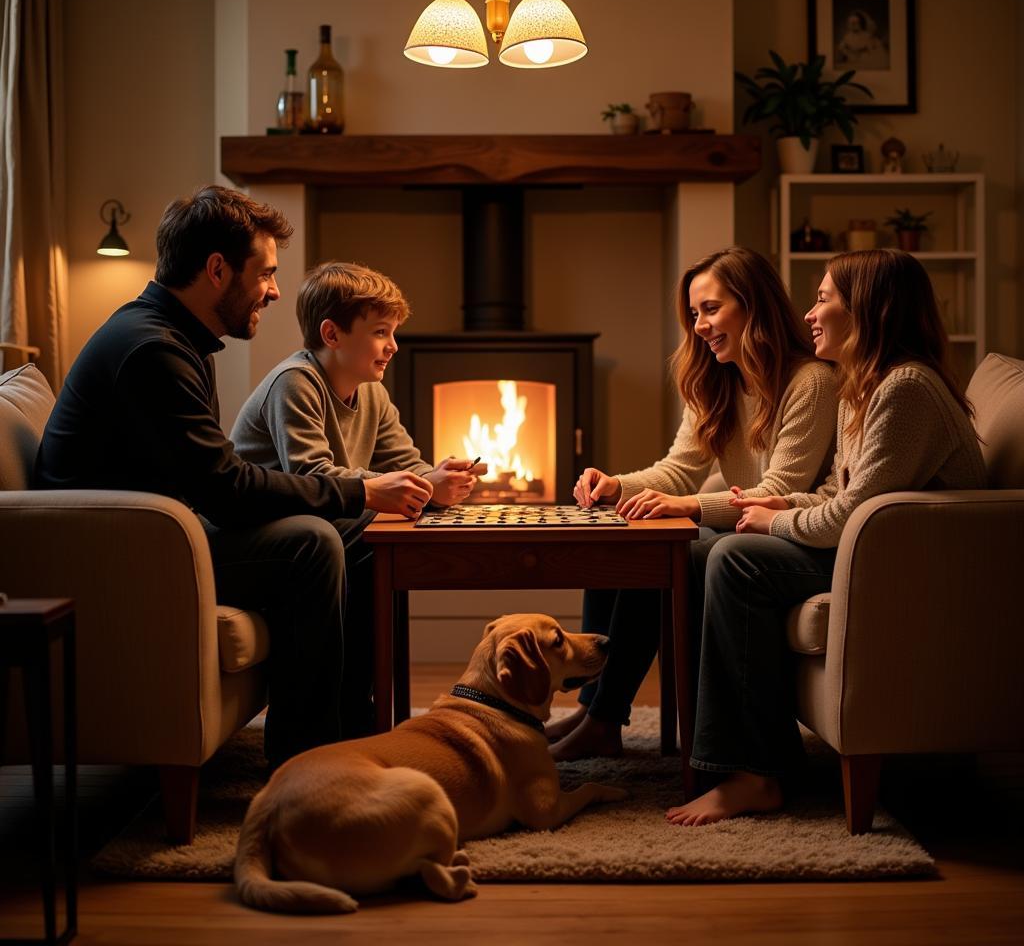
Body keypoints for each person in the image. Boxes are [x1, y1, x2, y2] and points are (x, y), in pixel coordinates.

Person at [35, 185, 433, 768]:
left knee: (361, 535)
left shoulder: (176, 339)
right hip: (120, 553)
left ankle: (354, 728)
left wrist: (364, 501)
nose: (273, 290)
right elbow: (225, 488)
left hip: (161, 533)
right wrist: (359, 488)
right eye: (266, 273)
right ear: (218, 269)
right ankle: (308, 760)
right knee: (314, 543)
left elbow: (218, 480)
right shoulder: (151, 351)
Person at [666, 248, 987, 826]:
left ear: (867, 307)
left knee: (735, 558)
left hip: (903, 566)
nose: (809, 313)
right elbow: (843, 497)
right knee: (705, 550)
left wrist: (775, 520)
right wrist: (781, 502)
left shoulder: (905, 388)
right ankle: (724, 759)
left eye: (822, 298)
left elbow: (856, 513)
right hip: (871, 550)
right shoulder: (862, 387)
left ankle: (755, 774)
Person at [548, 246, 839, 762]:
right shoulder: (717, 381)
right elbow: (678, 468)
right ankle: (599, 712)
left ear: (754, 306)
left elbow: (780, 486)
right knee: (619, 535)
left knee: (664, 550)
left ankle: (601, 720)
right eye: (694, 314)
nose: (700, 326)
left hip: (789, 533)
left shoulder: (809, 381)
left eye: (711, 309)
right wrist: (614, 486)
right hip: (744, 525)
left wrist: (686, 507)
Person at [230, 261, 484, 729]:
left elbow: (407, 464)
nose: (393, 346)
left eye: (394, 332)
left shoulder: (373, 394)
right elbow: (311, 476)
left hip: (327, 529)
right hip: (265, 536)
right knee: (371, 547)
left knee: (380, 549)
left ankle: (360, 709)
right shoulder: (296, 383)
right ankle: (342, 717)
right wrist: (423, 487)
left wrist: (439, 478)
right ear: (332, 334)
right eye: (381, 332)